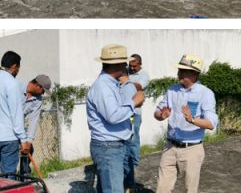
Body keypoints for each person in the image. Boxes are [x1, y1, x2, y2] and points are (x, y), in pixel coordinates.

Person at [154, 54, 218, 193]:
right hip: (170, 147)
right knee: (162, 188)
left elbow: (211, 123)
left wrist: (193, 120)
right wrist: (161, 115)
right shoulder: (172, 90)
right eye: (179, 69)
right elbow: (157, 113)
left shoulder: (205, 94)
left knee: (189, 189)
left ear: (195, 73)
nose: (179, 73)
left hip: (192, 150)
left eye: (184, 70)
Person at [86, 44, 145, 193]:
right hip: (108, 147)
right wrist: (134, 102)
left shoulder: (110, 84)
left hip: (111, 146)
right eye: (124, 63)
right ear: (118, 65)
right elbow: (113, 116)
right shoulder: (103, 86)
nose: (127, 66)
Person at [122, 54, 149, 193]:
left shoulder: (143, 75)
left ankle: (134, 162)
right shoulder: (126, 71)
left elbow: (139, 86)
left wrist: (125, 82)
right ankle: (127, 163)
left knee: (133, 138)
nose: (132, 68)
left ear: (140, 64)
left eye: (135, 65)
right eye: (130, 65)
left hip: (135, 113)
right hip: (123, 112)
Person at [18, 74, 51, 176]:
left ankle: (24, 176)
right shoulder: (16, 88)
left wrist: (28, 141)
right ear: (38, 86)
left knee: (29, 149)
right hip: (6, 126)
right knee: (11, 153)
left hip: (19, 126)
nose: (43, 93)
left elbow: (34, 120)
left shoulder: (38, 99)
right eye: (43, 90)